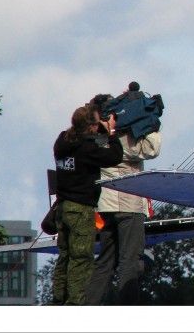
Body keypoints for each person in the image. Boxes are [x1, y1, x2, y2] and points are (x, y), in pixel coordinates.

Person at [85, 85, 162, 305]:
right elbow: (152, 149)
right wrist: (151, 120)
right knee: (131, 260)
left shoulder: (92, 138)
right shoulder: (122, 139)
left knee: (106, 261)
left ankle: (88, 306)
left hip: (106, 206)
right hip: (128, 204)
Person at [51, 104, 124, 305]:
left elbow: (78, 137)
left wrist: (94, 125)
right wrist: (111, 132)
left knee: (65, 256)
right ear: (91, 127)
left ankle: (58, 299)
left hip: (62, 208)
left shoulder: (61, 142)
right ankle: (76, 303)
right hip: (81, 209)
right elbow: (114, 156)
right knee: (81, 258)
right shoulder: (87, 149)